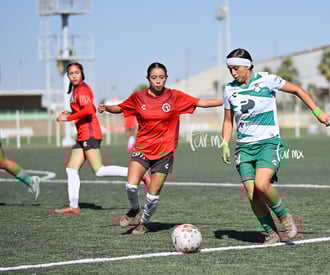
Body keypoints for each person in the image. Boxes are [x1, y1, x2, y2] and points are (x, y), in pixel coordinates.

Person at [221, 48, 330, 244]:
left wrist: (318, 113)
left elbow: (298, 90)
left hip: (268, 143)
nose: (233, 73)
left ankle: (284, 217)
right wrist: (224, 142)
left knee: (262, 184)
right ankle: (270, 233)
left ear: (247, 66)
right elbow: (228, 120)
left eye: (236, 68)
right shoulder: (229, 89)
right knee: (252, 195)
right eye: (230, 69)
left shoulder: (267, 80)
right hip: (244, 148)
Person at [98, 62, 223, 234]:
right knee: (131, 185)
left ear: (166, 78)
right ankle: (134, 209)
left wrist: (225, 101)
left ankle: (143, 222)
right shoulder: (138, 97)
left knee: (152, 194)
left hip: (164, 152)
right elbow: (120, 107)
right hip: (142, 148)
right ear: (148, 78)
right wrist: (107, 108)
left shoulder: (174, 97)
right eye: (154, 77)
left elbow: (201, 102)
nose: (158, 81)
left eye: (161, 77)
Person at [55, 62, 132, 216]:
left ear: (82, 73)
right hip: (82, 135)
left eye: (77, 72)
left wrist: (68, 117)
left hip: (89, 134)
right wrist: (71, 111)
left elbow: (89, 109)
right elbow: (83, 109)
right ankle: (74, 206)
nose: (74, 75)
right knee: (71, 169)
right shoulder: (77, 90)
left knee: (99, 171)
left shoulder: (82, 89)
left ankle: (136, 172)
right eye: (71, 73)